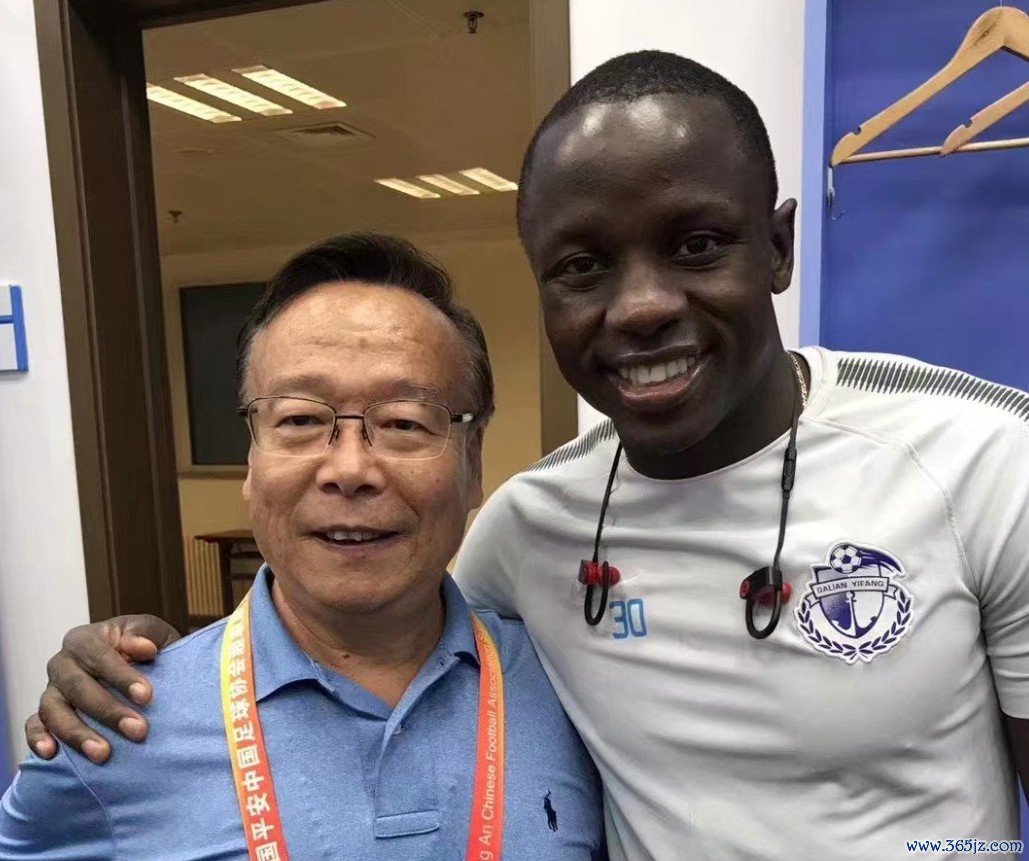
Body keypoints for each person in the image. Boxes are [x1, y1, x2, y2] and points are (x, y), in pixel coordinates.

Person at [21, 51, 1029, 860]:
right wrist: (157, 666)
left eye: (695, 245)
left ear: (777, 248)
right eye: (584, 265)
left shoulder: (982, 467)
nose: (642, 306)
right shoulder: (529, 529)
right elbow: (364, 608)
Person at [0, 234, 605, 859]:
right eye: (300, 420)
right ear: (252, 457)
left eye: (404, 422)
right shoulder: (119, 725)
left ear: (472, 463)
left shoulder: (570, 686)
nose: (350, 469)